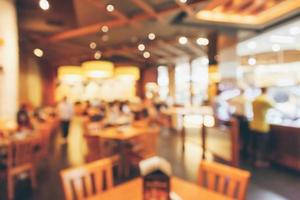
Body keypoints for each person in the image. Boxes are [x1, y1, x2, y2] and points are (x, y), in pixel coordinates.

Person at [250, 87, 274, 168]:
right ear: (267, 91)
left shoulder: (255, 100)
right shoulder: (266, 100)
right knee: (261, 145)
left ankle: (254, 160)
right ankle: (258, 161)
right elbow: (274, 105)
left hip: (253, 124)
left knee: (255, 144)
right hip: (262, 126)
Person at [229, 89, 252, 160]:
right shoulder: (245, 99)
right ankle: (244, 153)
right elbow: (246, 111)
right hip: (243, 119)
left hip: (236, 117)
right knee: (245, 136)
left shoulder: (235, 98)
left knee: (238, 136)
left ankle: (237, 151)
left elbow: (229, 102)